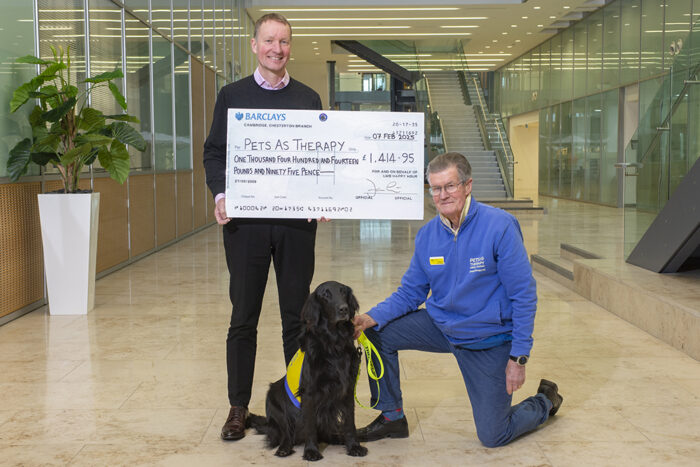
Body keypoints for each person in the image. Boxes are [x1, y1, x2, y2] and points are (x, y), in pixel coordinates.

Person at [353, 152, 563, 448]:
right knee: (377, 331)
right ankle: (392, 417)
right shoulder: (427, 236)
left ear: (467, 186)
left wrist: (519, 357)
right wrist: (369, 317)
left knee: (494, 435)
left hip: (486, 337)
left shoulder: (499, 226)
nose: (442, 195)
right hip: (441, 327)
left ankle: (545, 401)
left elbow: (524, 295)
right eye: (435, 188)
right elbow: (411, 292)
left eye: (449, 186)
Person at [203, 13, 323, 441]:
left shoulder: (309, 99)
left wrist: (324, 195)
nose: (277, 48)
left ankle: (298, 405)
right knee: (243, 317)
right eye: (269, 40)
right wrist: (220, 195)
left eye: (284, 41)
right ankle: (239, 407)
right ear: (254, 45)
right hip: (246, 226)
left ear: (291, 47)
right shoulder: (232, 95)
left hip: (295, 226)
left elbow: (319, 160)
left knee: (297, 318)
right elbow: (215, 153)